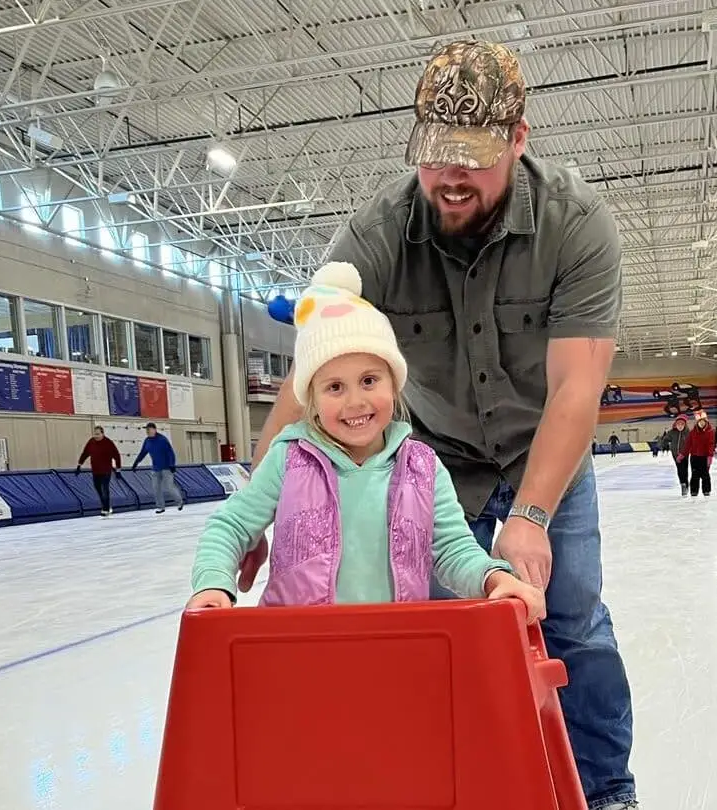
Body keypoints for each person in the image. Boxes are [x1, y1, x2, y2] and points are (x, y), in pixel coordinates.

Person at [234, 40, 638, 810]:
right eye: (433, 156)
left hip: (543, 454)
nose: (449, 179)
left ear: (519, 139)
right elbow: (307, 378)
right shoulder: (378, 233)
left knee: (574, 624)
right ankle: (470, 786)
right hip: (434, 461)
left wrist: (530, 515)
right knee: (443, 635)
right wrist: (263, 508)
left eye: (474, 158)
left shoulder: (576, 224)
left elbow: (576, 389)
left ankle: (609, 793)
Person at [186, 263, 544, 619]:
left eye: (369, 381)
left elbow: (452, 548)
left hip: (392, 647)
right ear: (311, 398)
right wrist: (214, 583)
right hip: (298, 650)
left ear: (394, 383)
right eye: (335, 387)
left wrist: (493, 577)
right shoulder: (290, 460)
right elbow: (231, 526)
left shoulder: (422, 466)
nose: (355, 402)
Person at [133, 422, 184, 513]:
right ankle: (161, 506)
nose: (147, 431)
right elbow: (142, 453)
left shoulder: (162, 440)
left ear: (154, 430)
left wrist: (172, 464)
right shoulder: (147, 441)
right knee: (156, 488)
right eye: (146, 430)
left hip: (166, 468)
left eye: (149, 429)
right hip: (155, 468)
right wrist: (136, 463)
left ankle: (179, 502)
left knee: (169, 486)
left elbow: (170, 453)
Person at [76, 426, 122, 516]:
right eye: (94, 434)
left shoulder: (108, 443)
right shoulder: (91, 442)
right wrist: (79, 465)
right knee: (98, 489)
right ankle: (107, 506)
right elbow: (85, 453)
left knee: (105, 489)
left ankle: (105, 509)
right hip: (95, 471)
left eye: (98, 434)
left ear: (102, 434)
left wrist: (118, 470)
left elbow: (117, 456)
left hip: (106, 470)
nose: (96, 436)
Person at [680, 411, 715, 497]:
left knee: (705, 475)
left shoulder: (710, 432)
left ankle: (706, 490)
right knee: (695, 475)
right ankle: (694, 491)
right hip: (694, 457)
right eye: (700, 421)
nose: (701, 423)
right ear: (697, 422)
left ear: (706, 422)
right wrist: (683, 454)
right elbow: (688, 444)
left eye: (703, 421)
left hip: (704, 457)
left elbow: (711, 444)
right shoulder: (692, 432)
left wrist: (710, 456)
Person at [663, 414, 691, 496]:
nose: (680, 426)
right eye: (678, 424)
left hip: (685, 454)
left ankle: (685, 483)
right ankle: (683, 484)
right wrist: (662, 444)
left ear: (685, 425)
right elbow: (665, 439)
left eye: (682, 424)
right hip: (675, 454)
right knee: (680, 470)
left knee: (684, 470)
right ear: (676, 424)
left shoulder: (688, 433)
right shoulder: (672, 432)